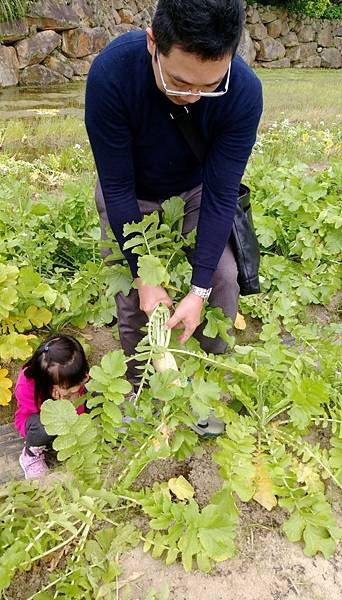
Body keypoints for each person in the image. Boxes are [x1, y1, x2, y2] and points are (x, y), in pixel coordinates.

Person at [85, 0, 263, 435]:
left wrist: (198, 289)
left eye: (208, 86)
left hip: (197, 190)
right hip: (131, 190)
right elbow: (118, 188)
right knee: (132, 296)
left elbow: (221, 195)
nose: (192, 96)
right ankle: (140, 383)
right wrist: (148, 281)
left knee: (221, 277)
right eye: (180, 82)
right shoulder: (112, 75)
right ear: (153, 43)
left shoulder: (243, 92)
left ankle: (202, 378)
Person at [15, 334, 89, 480]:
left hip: (69, 420)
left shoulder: (71, 377)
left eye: (82, 378)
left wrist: (72, 399)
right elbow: (39, 417)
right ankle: (30, 455)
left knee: (96, 395)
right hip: (36, 422)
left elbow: (79, 415)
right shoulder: (27, 384)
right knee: (44, 428)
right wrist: (60, 404)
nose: (78, 387)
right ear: (49, 383)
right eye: (71, 387)